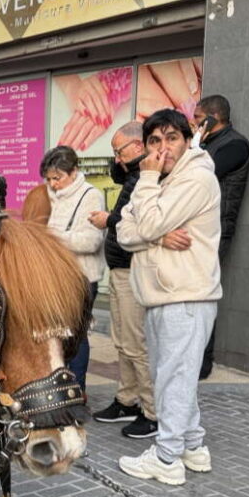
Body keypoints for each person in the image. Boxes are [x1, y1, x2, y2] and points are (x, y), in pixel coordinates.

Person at [116, 109, 220, 486]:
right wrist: (158, 236)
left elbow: (143, 222)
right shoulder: (163, 180)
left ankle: (167, 457)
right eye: (154, 141)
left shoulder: (194, 178)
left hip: (186, 295)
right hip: (163, 295)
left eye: (171, 138)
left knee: (172, 380)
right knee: (175, 376)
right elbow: (125, 231)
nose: (162, 149)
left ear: (188, 138)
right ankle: (193, 447)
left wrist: (145, 181)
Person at [89, 123, 157, 438]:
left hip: (134, 269)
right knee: (122, 342)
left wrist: (108, 220)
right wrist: (122, 160)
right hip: (119, 268)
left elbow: (142, 222)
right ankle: (127, 398)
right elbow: (118, 175)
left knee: (135, 343)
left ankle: (151, 410)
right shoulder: (132, 172)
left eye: (120, 150)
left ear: (139, 144)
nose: (116, 158)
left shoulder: (151, 176)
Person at [193, 94, 249, 379]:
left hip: (214, 230)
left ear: (212, 118)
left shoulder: (235, 145)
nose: (194, 123)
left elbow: (202, 175)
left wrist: (195, 144)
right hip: (198, 228)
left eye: (197, 117)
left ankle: (203, 362)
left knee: (203, 293)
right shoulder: (209, 144)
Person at [40, 146, 105, 391]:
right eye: (49, 179)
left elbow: (90, 240)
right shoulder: (48, 195)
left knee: (76, 336)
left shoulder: (90, 195)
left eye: (58, 178)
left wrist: (50, 236)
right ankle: (58, 385)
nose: (53, 184)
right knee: (55, 334)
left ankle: (76, 390)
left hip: (81, 277)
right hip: (54, 277)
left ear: (74, 171)